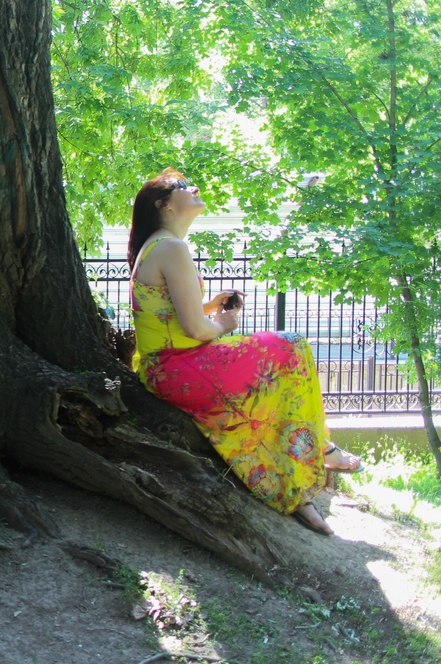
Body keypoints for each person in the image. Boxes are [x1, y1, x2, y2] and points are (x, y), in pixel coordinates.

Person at [127, 168, 362, 535]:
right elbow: (195, 330)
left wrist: (210, 306)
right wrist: (223, 324)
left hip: (168, 366)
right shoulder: (170, 247)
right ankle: (309, 459)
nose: (195, 187)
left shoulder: (159, 244)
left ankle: (312, 455)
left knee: (281, 362)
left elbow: (168, 315)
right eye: (183, 187)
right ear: (165, 205)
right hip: (180, 367)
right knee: (291, 347)